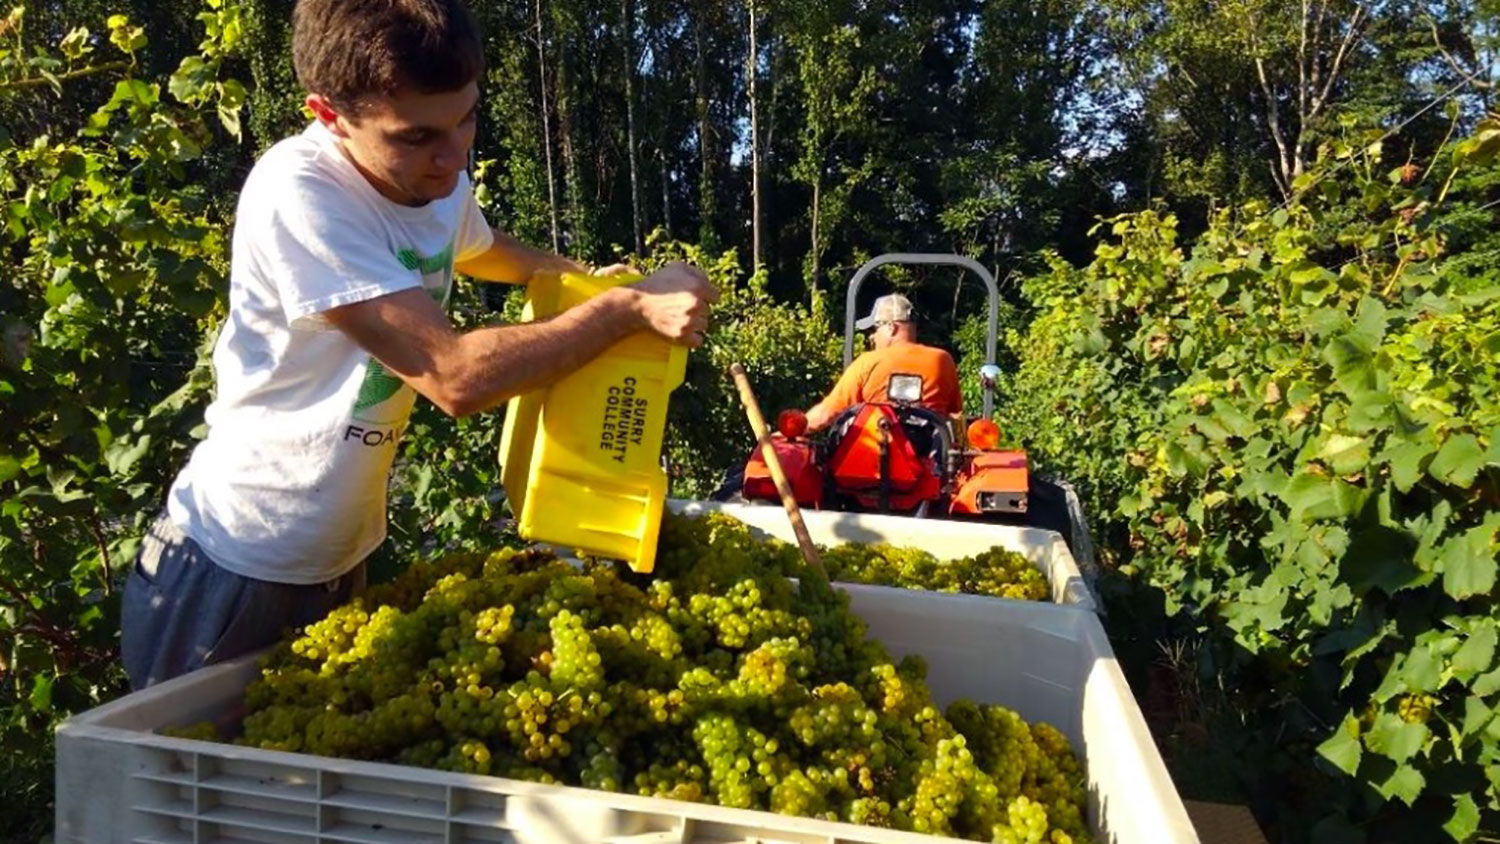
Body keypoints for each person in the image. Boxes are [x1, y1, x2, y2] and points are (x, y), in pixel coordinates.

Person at [120, 0, 718, 690]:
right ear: (328, 114)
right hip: (236, 567)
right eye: (416, 136)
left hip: (340, 556)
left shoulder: (435, 176)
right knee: (200, 794)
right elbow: (454, 377)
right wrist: (625, 310)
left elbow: (484, 250)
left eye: (467, 118)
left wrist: (584, 280)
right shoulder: (302, 193)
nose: (455, 154)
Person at [803, 293, 961, 432]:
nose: (872, 336)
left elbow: (827, 413)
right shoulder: (943, 360)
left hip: (874, 454)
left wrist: (789, 432)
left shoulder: (868, 362)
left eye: (875, 328)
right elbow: (955, 414)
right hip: (929, 458)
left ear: (891, 327)